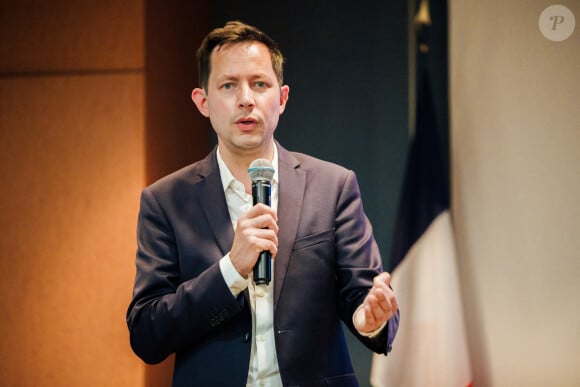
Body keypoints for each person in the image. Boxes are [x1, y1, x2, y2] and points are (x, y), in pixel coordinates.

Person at [126, 20, 399, 387]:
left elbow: (364, 294)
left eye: (259, 84)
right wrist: (230, 271)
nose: (246, 99)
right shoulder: (166, 201)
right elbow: (147, 333)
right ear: (202, 102)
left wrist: (371, 319)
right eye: (228, 85)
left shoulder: (332, 186)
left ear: (282, 98)